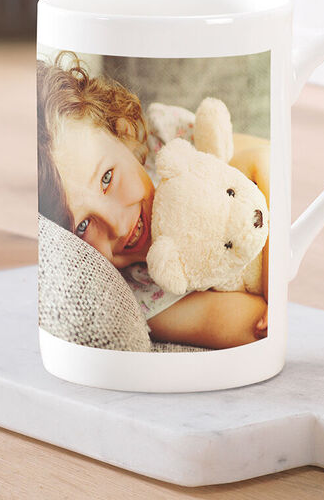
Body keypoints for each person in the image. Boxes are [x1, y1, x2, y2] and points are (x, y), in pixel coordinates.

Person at [38, 51, 271, 349]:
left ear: (122, 133)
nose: (118, 226)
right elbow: (256, 325)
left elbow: (266, 161)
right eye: (82, 226)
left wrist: (274, 281)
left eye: (107, 178)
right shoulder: (144, 296)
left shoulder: (171, 142)